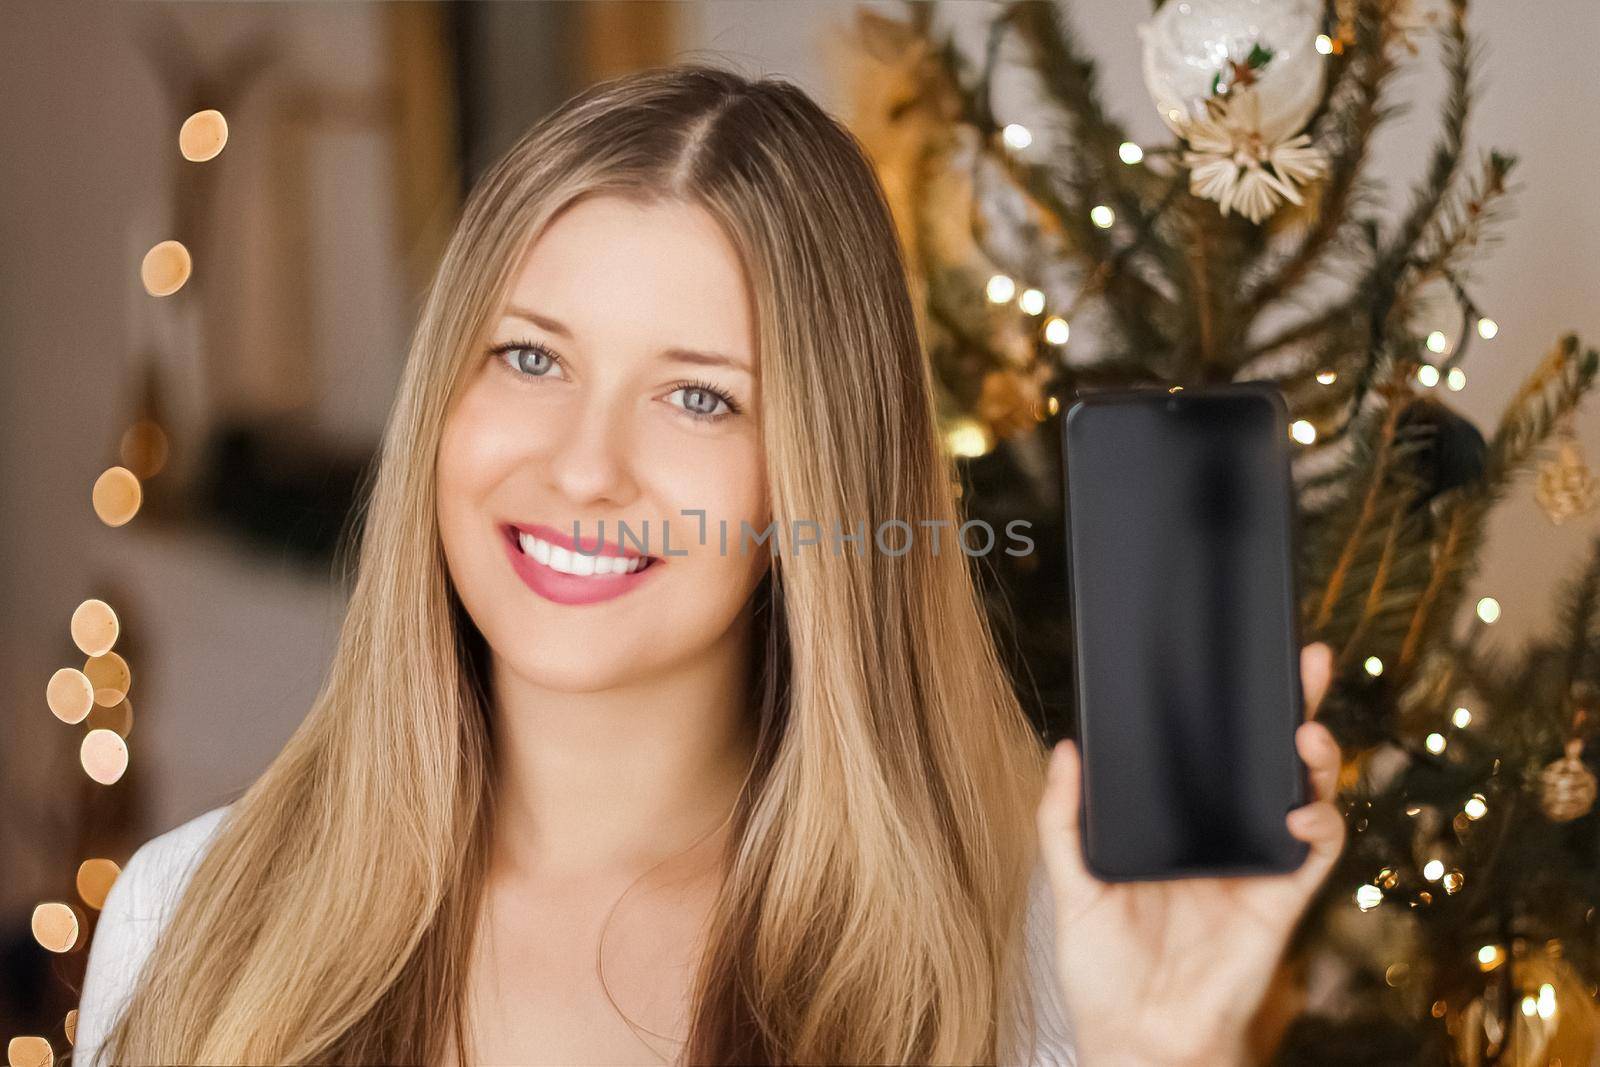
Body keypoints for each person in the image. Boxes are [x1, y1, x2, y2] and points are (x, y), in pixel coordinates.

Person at [73, 63, 1343, 1067]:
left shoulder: (1013, 963)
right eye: (528, 357)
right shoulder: (184, 915)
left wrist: (1168, 1050)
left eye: (697, 397)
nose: (583, 468)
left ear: (817, 482)